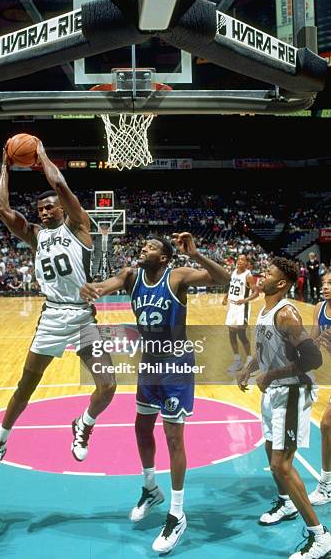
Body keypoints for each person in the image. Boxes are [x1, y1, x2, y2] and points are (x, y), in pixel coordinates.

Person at [80, 233, 230, 553]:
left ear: (163, 257)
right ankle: (150, 488)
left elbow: (224, 278)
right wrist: (81, 290)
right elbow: (101, 288)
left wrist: (197, 253)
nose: (142, 249)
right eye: (143, 245)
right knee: (141, 426)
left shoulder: (177, 276)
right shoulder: (130, 276)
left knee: (174, 437)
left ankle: (177, 513)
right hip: (149, 363)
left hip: (175, 364)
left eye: (150, 248)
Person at [0, 140, 116, 482]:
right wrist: (5, 165)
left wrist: (40, 154)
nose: (44, 211)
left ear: (62, 209)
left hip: (83, 317)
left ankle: (83, 424)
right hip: (53, 316)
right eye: (40, 209)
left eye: (49, 207)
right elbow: (0, 208)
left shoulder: (79, 226)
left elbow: (60, 184)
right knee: (26, 386)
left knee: (108, 385)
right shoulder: (36, 236)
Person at [237, 257, 331, 559]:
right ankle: (287, 502)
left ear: (280, 283)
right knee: (269, 450)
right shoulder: (265, 309)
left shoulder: (287, 313)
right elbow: (266, 347)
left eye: (268, 274)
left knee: (281, 464)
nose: (261, 276)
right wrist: (250, 366)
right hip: (273, 391)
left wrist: (271, 374)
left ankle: (320, 538)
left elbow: (312, 359)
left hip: (291, 392)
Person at [308, 271, 331, 506]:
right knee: (327, 426)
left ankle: (326, 486)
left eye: (330, 283)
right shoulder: (318, 308)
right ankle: (327, 484)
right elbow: (313, 344)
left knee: (326, 424)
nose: (325, 287)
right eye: (324, 283)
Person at [222, 254, 259, 373]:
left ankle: (249, 360)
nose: (239, 261)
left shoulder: (248, 276)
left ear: (247, 263)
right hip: (232, 306)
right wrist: (225, 296)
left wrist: (245, 300)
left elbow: (256, 293)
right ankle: (237, 360)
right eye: (238, 259)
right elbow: (231, 286)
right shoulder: (233, 272)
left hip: (242, 307)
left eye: (243, 260)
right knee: (231, 334)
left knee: (241, 335)